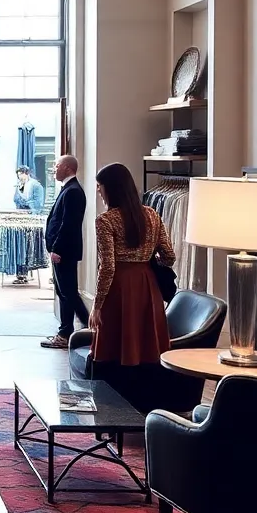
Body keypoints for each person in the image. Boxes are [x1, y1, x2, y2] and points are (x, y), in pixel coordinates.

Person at [88, 162, 176, 413]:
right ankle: (145, 407)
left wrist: (97, 304)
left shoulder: (106, 220)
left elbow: (108, 267)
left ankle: (112, 407)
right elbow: (169, 256)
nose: (99, 192)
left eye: (100, 187)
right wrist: (148, 261)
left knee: (113, 346)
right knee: (146, 343)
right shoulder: (151, 214)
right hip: (147, 285)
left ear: (111, 189)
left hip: (119, 288)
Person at [40, 155, 89, 349]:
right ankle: (76, 329)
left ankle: (73, 331)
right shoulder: (69, 189)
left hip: (64, 252)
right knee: (65, 292)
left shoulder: (73, 191)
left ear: (68, 168)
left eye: (57, 165)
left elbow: (69, 224)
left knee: (68, 293)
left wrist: (56, 248)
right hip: (62, 252)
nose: (54, 169)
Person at [11, 166, 46, 285]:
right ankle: (21, 273)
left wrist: (30, 210)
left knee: (28, 247)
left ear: (26, 173)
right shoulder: (21, 185)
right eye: (18, 175)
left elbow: (37, 205)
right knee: (21, 246)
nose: (20, 177)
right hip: (21, 218)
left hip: (31, 219)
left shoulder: (35, 185)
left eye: (21, 174)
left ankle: (25, 272)